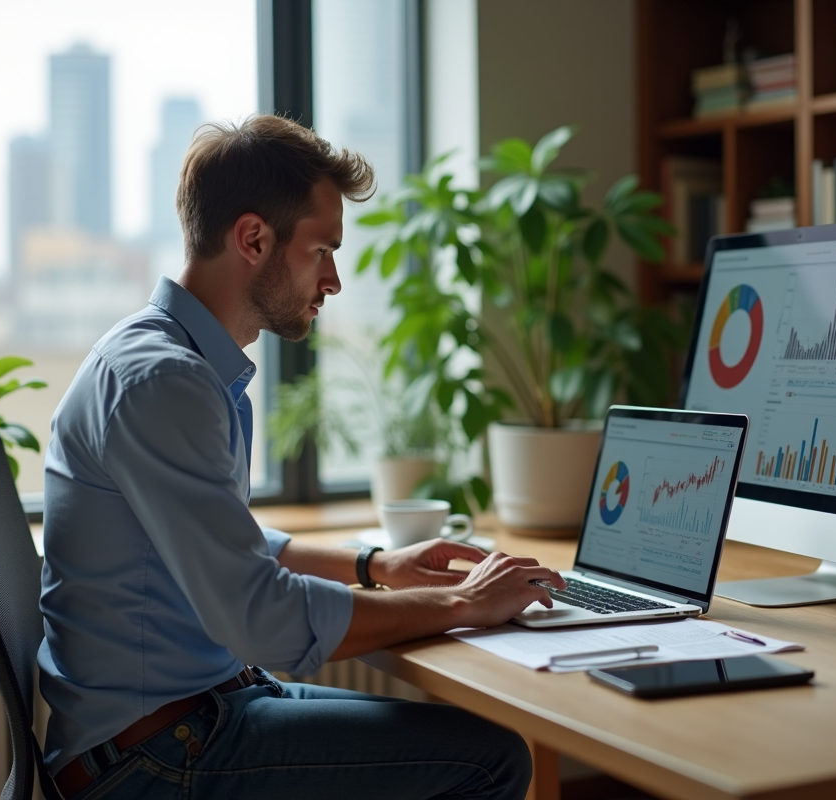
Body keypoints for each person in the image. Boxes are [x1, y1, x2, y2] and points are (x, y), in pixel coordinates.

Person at [38, 114, 566, 800]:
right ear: (254, 238)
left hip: (196, 714)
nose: (335, 280)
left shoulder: (175, 364)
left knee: (472, 744)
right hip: (157, 758)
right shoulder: (163, 382)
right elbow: (262, 617)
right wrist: (463, 602)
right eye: (322, 251)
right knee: (488, 760)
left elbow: (227, 542)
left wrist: (376, 566)